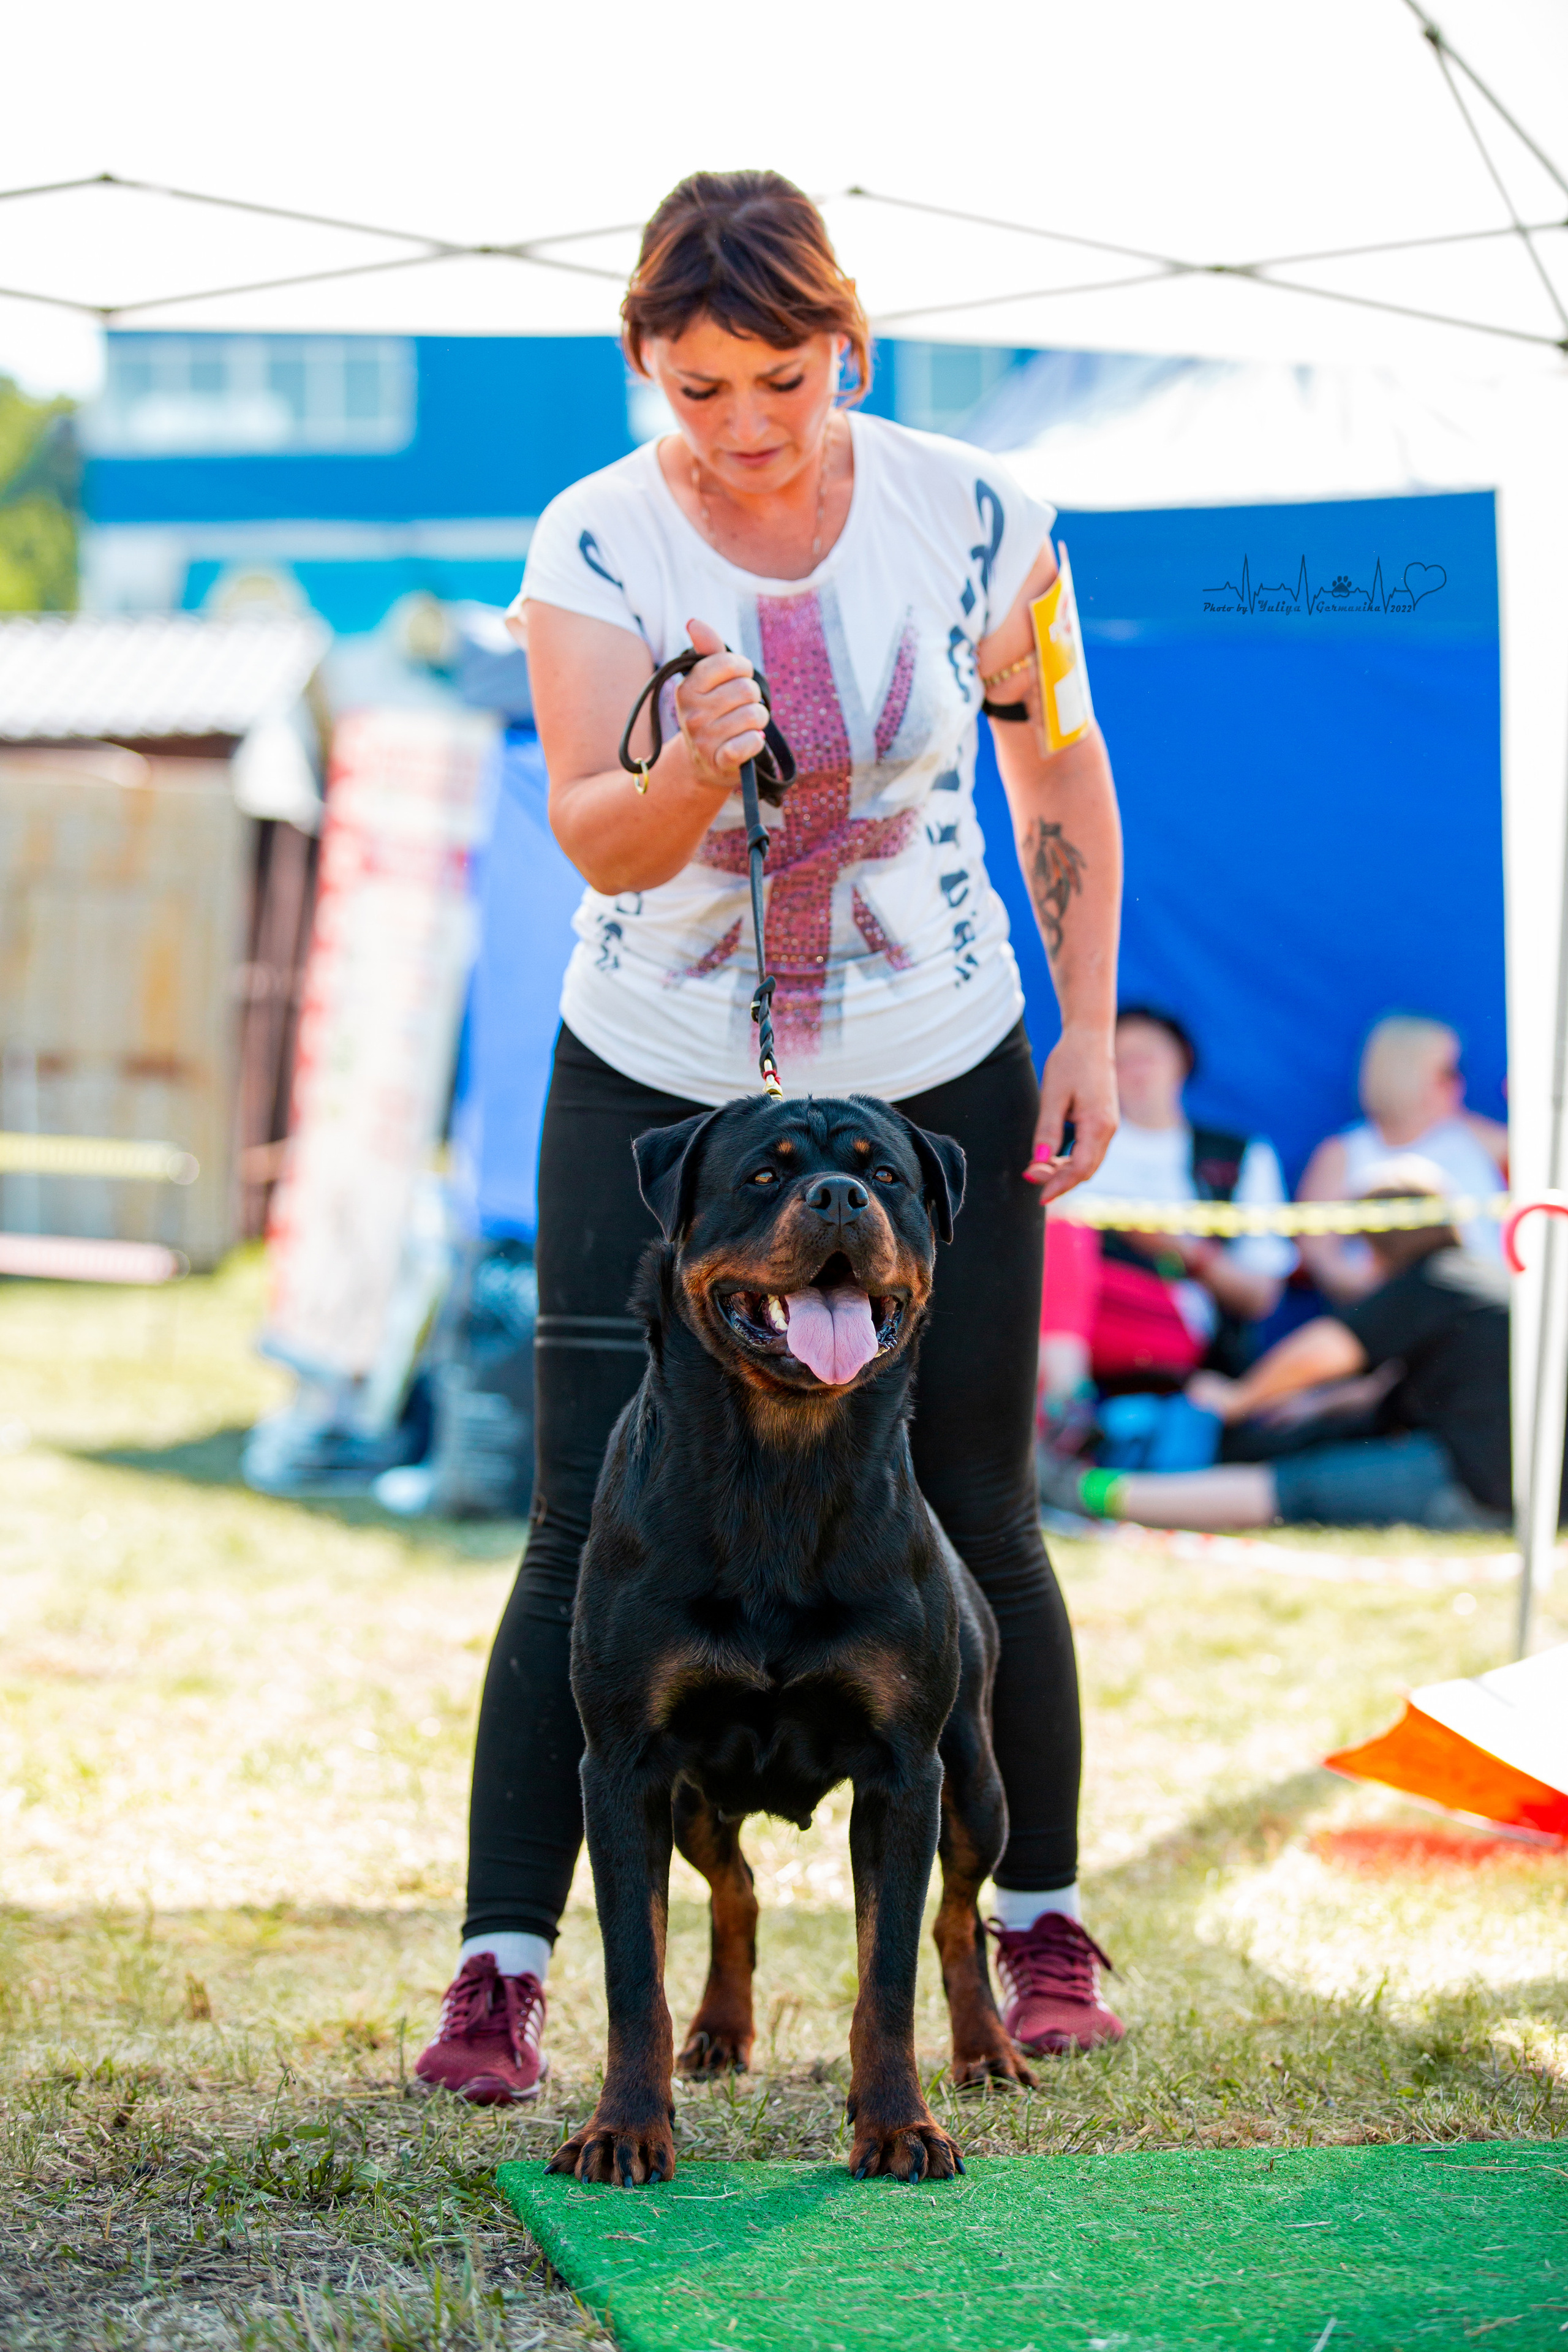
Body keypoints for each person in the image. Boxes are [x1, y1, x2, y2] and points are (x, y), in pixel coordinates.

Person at [414, 170, 1126, 2106]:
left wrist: (1077, 1031)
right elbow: (594, 830)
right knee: (581, 1522)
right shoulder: (595, 539)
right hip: (652, 1064)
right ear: (645, 363)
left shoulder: (979, 516)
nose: (739, 429)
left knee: (977, 1509)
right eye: (698, 386)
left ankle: (1035, 1917)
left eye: (782, 383)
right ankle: (502, 1967)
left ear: (853, 353)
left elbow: (1053, 757)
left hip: (934, 1052)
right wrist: (683, 756)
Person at [1042, 1159, 1514, 1533]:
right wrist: (1312, 1406)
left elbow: (1324, 1351)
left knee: (1296, 1487)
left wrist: (1238, 1399)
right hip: (1515, 1484)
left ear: (1378, 1242)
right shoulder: (1471, 1279)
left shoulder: (1431, 1280)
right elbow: (1394, 1385)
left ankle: (1081, 1492)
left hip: (1472, 1486)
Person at [1038, 1006, 1294, 1444]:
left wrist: (1179, 1249)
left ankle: (1063, 1416)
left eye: (1148, 1056)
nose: (1136, 1071)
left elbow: (1261, 1296)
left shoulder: (1238, 1155)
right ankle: (1061, 1414)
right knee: (1060, 1236)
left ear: (1183, 1062)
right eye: (1119, 1060)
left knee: (1064, 1231)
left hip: (1178, 1321)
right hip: (1062, 1305)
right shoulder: (1059, 1148)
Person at [1298, 1015, 1507, 1306]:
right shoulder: (1343, 1153)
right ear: (1405, 1073)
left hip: (1482, 1307)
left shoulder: (1480, 1138)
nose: (1458, 1083)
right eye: (1448, 1072)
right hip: (1390, 1319)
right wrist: (1374, 1294)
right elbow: (1318, 1255)